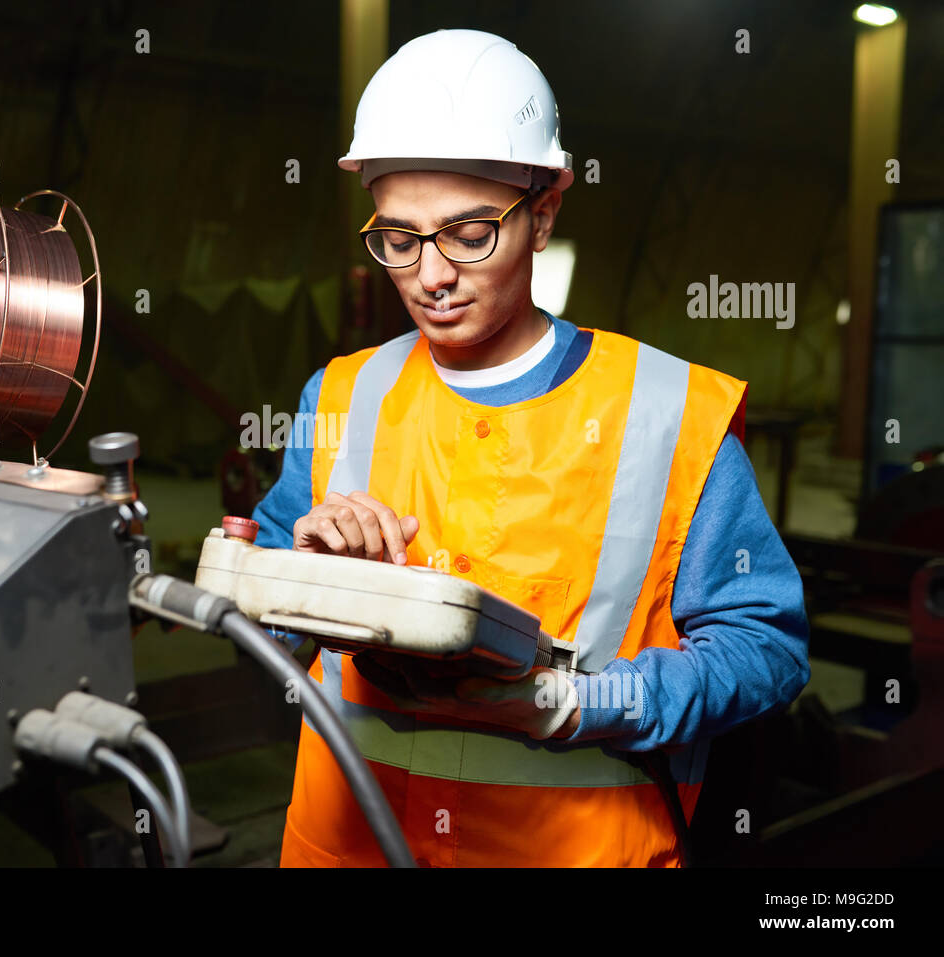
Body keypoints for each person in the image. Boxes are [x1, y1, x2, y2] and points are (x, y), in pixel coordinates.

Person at [250, 28, 810, 867]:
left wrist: (582, 700)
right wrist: (302, 576)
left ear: (544, 210)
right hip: (347, 849)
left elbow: (766, 648)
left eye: (469, 233)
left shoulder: (666, 414)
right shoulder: (341, 394)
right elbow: (261, 623)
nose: (431, 275)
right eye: (400, 239)